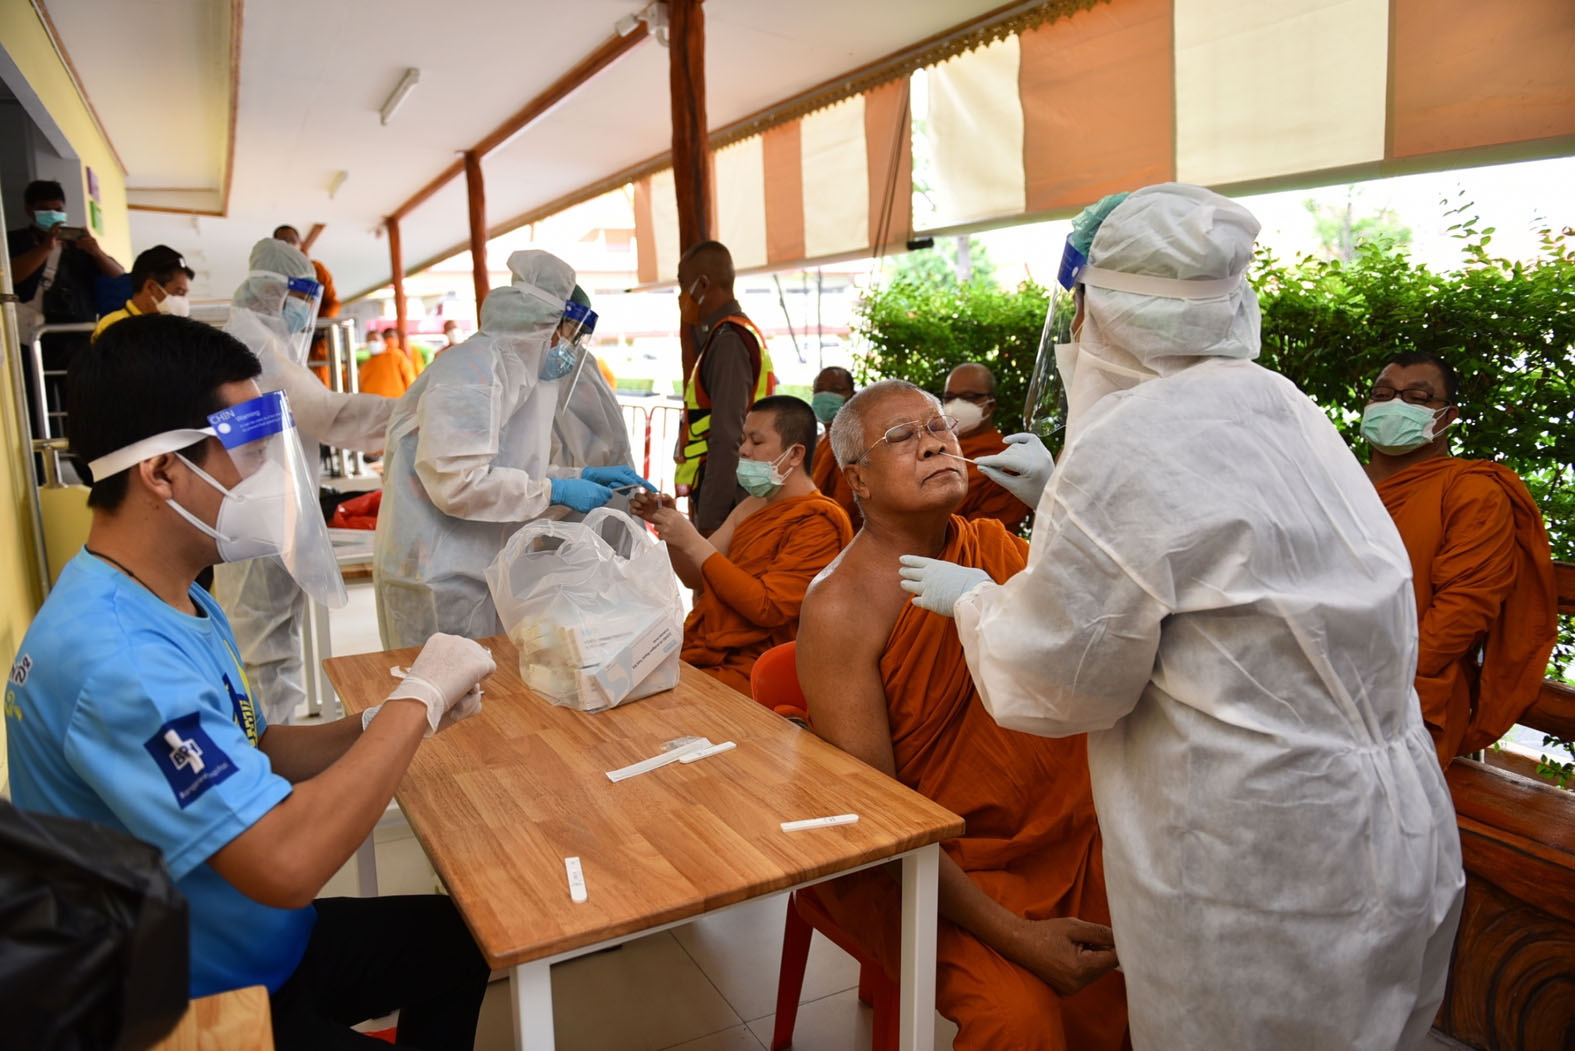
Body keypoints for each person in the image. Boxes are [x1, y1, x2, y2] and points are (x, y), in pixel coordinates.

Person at [899, 184, 1463, 1051]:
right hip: (1385, 821)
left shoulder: (1125, 442)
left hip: (1251, 849)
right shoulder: (1284, 404)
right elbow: (1242, 568)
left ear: (1104, 310)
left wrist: (977, 600)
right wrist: (1073, 516)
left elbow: (1060, 684)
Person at [4, 314, 493, 1047]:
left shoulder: (173, 592)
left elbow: (254, 743)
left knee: (459, 944)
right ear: (162, 472)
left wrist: (375, 719)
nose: (268, 475)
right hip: (188, 1001)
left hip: (253, 942)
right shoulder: (117, 660)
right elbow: (287, 861)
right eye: (248, 451)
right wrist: (416, 704)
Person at [795, 379, 1128, 1050]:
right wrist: (1020, 940)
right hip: (929, 862)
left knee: (1157, 948)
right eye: (902, 436)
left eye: (938, 427)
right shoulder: (840, 606)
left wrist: (1056, 495)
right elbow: (881, 824)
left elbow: (1102, 637)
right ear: (855, 479)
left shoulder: (991, 546)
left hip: (1056, 829)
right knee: (1018, 1017)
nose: (932, 443)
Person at [375, 250, 653, 649]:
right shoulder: (473, 372)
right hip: (436, 573)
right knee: (439, 695)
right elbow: (458, 483)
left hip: (476, 564)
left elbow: (508, 467)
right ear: (545, 323)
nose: (570, 347)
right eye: (569, 332)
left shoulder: (521, 378)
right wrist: (554, 492)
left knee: (485, 695)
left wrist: (577, 476)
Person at [215, 239, 394, 725]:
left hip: (264, 514)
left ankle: (273, 756)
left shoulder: (257, 342)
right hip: (259, 522)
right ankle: (272, 770)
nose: (305, 312)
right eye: (303, 298)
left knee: (270, 643)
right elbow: (324, 414)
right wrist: (412, 413)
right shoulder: (253, 348)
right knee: (265, 652)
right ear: (279, 292)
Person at [1360, 351, 1557, 765]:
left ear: (1447, 417)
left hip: (1405, 693)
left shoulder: (1472, 491)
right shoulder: (1337, 481)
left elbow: (1461, 611)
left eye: (1417, 396)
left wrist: (1373, 687)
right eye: (1382, 393)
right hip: (1311, 676)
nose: (1395, 404)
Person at [631, 396, 851, 694]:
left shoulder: (818, 521)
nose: (744, 449)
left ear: (796, 454)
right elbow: (696, 577)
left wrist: (692, 540)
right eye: (743, 439)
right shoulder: (753, 505)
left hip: (758, 667)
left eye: (756, 442)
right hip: (712, 652)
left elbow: (767, 608)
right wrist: (669, 530)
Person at [673, 241, 775, 534]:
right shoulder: (730, 334)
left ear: (702, 284)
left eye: (683, 286)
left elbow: (726, 436)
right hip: (730, 488)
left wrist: (710, 525)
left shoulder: (729, 341)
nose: (681, 297)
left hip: (727, 496)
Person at [8, 179, 124, 433]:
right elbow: (12, 277)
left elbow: (120, 278)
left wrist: (95, 251)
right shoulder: (14, 241)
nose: (53, 215)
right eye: (45, 209)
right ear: (30, 210)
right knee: (37, 406)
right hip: (29, 340)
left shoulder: (79, 246)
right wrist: (46, 247)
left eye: (58, 209)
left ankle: (86, 466)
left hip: (75, 337)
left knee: (82, 405)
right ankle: (42, 463)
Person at [550, 285, 635, 475]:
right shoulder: (541, 364)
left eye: (576, 331)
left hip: (583, 488)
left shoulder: (575, 368)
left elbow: (597, 445)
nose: (572, 338)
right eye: (572, 328)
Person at [940, 363, 1031, 533]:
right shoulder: (933, 448)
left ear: (990, 405)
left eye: (968, 396)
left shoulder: (1006, 462)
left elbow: (986, 538)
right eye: (949, 397)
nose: (955, 403)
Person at [273, 224, 339, 383]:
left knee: (317, 383)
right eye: (282, 240)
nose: (288, 243)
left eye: (292, 240)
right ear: (274, 244)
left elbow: (332, 303)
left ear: (300, 243)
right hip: (280, 339)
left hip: (313, 340)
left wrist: (318, 325)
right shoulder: (272, 273)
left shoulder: (316, 269)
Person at [92, 245, 195, 340]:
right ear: (151, 287)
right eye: (179, 291)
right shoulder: (114, 327)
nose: (183, 300)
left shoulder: (170, 328)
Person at [809, 365, 860, 529]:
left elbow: (845, 503)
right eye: (820, 389)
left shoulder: (852, 440)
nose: (825, 394)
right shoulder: (825, 439)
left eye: (836, 389)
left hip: (839, 528)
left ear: (851, 396)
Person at [358, 326, 418, 399]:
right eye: (369, 341)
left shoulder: (395, 355)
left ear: (383, 342)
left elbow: (409, 377)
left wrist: (412, 398)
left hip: (395, 402)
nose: (372, 343)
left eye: (375, 340)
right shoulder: (365, 365)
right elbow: (362, 388)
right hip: (373, 405)